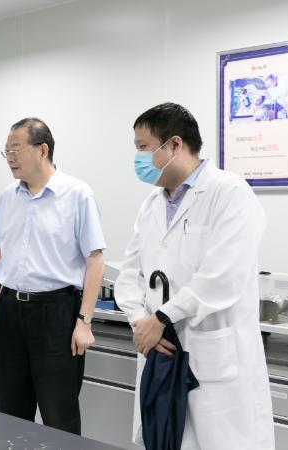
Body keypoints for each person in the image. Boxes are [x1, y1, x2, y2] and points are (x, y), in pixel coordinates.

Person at [115, 102, 274, 449]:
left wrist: (162, 317)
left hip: (213, 358)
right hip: (160, 350)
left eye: (144, 147)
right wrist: (140, 321)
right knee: (164, 437)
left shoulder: (229, 192)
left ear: (174, 144)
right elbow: (130, 273)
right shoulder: (152, 204)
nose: (138, 158)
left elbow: (223, 274)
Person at [0, 118, 106, 434]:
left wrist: (84, 322)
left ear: (42, 150)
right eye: (6, 151)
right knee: (11, 415)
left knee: (59, 416)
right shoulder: (8, 196)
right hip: (10, 313)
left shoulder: (77, 194)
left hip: (56, 314)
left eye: (16, 150)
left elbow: (95, 261)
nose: (9, 158)